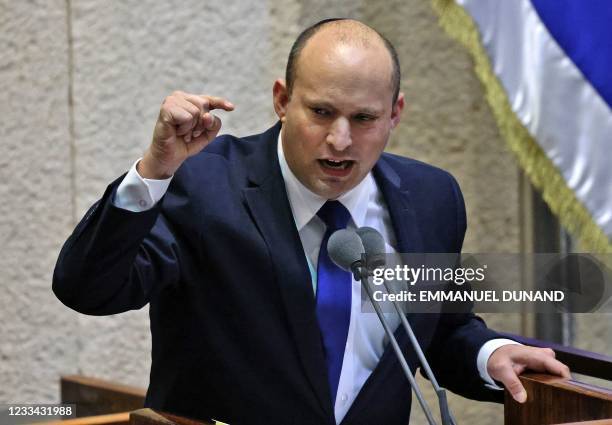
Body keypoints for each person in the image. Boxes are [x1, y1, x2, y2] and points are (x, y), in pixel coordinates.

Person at [53, 18, 569, 425]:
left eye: (364, 119)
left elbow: (438, 332)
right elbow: (89, 289)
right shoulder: (205, 184)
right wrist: (154, 172)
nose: (340, 140)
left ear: (395, 113)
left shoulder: (432, 197)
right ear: (282, 100)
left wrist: (491, 353)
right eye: (321, 113)